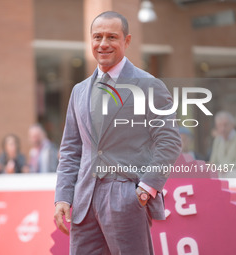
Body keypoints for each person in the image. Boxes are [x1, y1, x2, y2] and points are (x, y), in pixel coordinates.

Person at [54, 11, 181, 255]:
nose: (103, 44)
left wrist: (145, 189)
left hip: (127, 197)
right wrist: (63, 197)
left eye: (112, 37)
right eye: (97, 37)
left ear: (127, 40)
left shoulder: (149, 85)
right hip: (84, 201)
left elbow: (169, 141)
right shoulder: (79, 91)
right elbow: (71, 149)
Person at [209, 111, 236, 177]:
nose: (223, 128)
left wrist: (225, 167)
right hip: (220, 177)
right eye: (219, 125)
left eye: (225, 125)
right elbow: (213, 161)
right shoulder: (217, 140)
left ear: (232, 125)